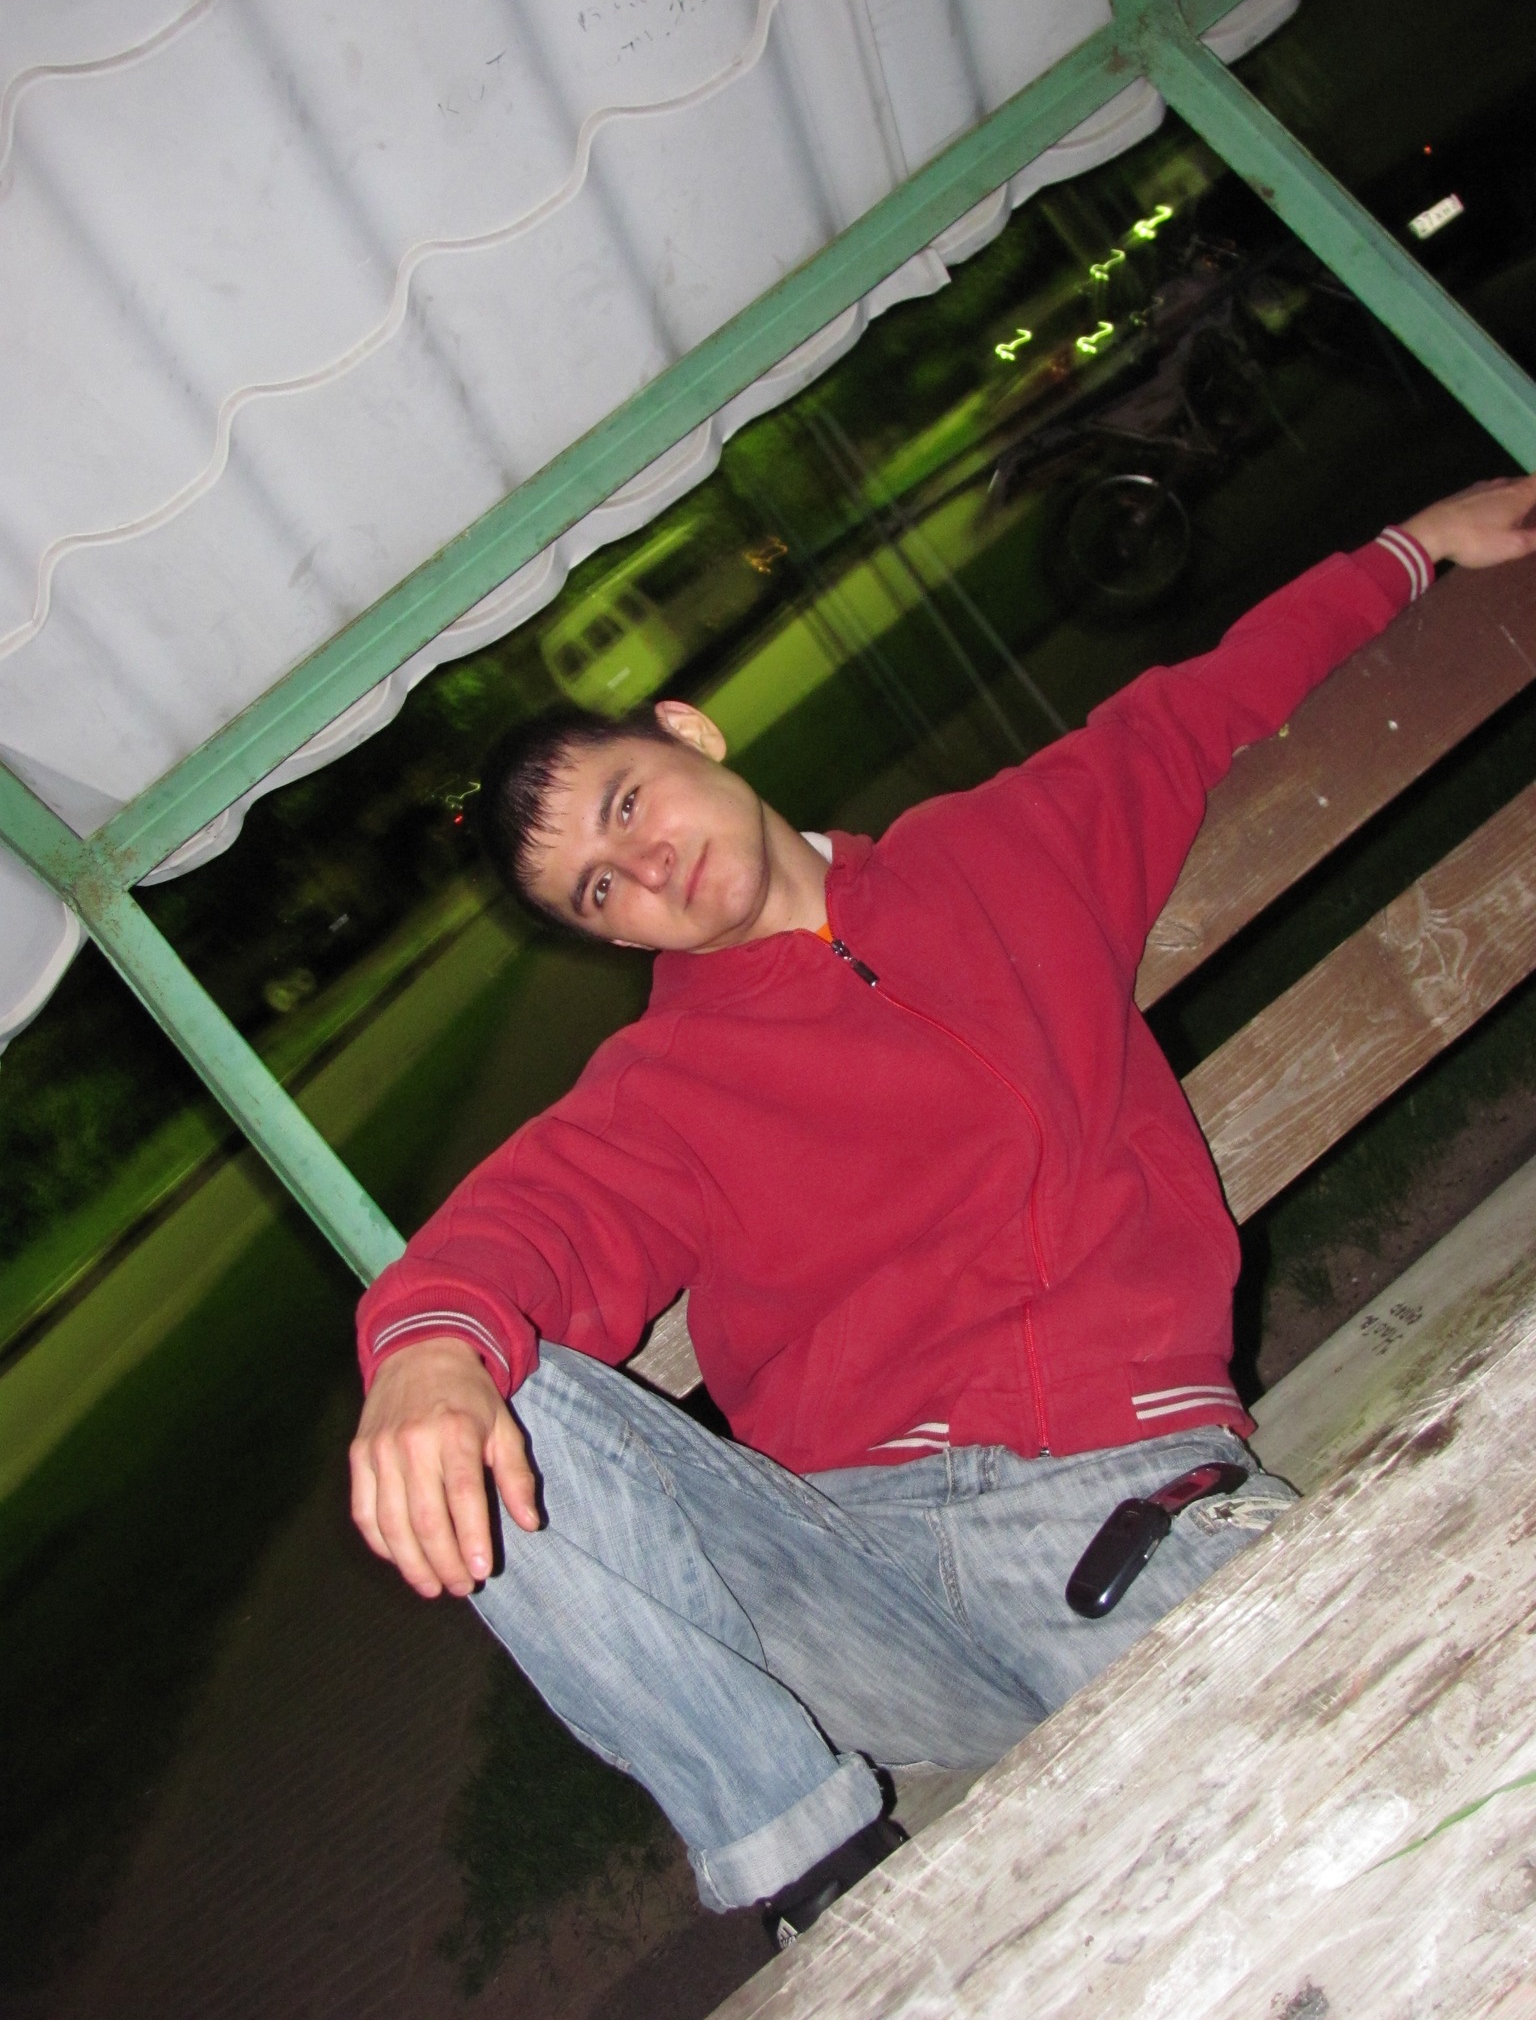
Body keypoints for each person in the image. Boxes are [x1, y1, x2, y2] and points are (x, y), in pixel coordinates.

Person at [350, 475, 1536, 1943]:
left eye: (628, 807)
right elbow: (525, 1226)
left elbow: (1198, 707)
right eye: (602, 892)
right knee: (491, 1405)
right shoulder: (659, 1089)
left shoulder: (1005, 852)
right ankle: (817, 1876)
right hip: (852, 1581)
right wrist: (429, 1349)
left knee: (1396, 1834)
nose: (647, 868)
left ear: (689, 735)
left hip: (1107, 1509)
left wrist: (1415, 549)